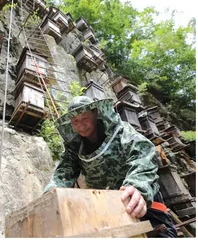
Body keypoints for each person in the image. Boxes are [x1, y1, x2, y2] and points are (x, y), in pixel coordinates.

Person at [44, 96, 177, 238]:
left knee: (160, 233)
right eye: (75, 121)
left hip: (139, 198)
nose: (81, 126)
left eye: (84, 118)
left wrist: (138, 186)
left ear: (95, 113)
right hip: (108, 205)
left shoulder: (120, 131)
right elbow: (64, 172)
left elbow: (142, 154)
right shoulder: (75, 146)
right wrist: (49, 195)